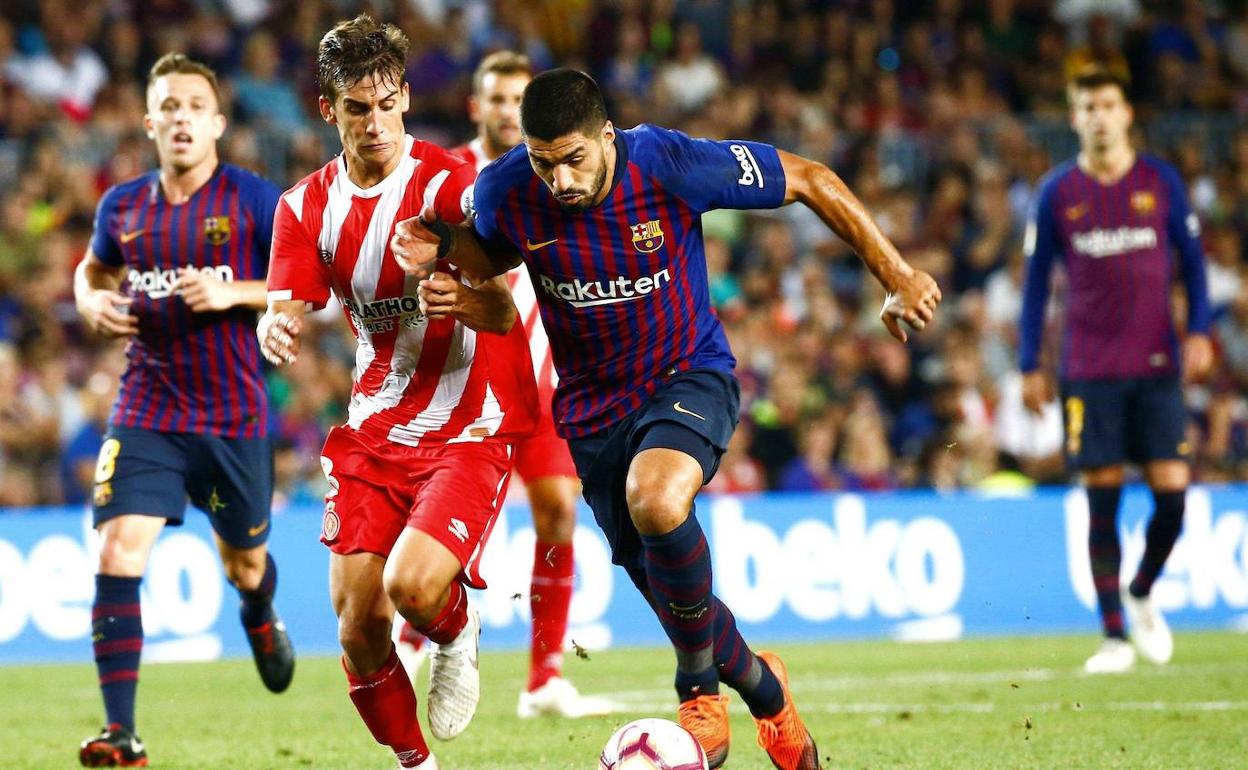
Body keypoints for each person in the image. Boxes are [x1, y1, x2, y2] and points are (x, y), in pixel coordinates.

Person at [393, 68, 941, 770]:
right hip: (592, 413)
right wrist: (445, 249)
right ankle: (768, 693)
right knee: (681, 601)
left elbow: (809, 178)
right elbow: (494, 251)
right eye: (543, 163)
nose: (560, 181)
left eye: (574, 159)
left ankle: (696, 693)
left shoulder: (669, 163)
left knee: (654, 498)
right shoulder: (506, 188)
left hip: (687, 375)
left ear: (606, 136)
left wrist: (897, 276)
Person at [257, 16, 537, 770]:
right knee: (356, 626)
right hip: (375, 426)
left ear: (406, 97)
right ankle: (416, 763)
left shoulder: (449, 185)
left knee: (413, 588)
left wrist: (460, 299)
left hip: (466, 425)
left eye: (387, 105)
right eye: (357, 109)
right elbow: (285, 305)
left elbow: (502, 311)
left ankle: (456, 628)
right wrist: (274, 328)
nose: (375, 123)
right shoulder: (303, 208)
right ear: (329, 110)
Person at [74, 53, 293, 767]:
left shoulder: (255, 200)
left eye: (195, 106)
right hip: (147, 406)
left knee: (245, 566)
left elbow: (309, 283)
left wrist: (237, 293)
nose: (181, 118)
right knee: (117, 547)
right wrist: (89, 297)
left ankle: (259, 612)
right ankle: (123, 734)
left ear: (218, 123)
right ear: (149, 123)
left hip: (232, 417)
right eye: (167, 106)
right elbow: (94, 267)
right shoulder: (123, 207)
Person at [394, 50, 613, 721]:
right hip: (463, 380)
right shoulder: (445, 175)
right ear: (477, 106)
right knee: (458, 519)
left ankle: (543, 679)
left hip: (543, 377)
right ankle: (413, 641)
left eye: (519, 99)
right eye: (497, 98)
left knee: (558, 514)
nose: (508, 111)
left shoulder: (558, 177)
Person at [1019, 67, 1213, 674]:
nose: (1099, 116)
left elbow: (1194, 263)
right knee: (1101, 502)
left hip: (1156, 364)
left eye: (1107, 105)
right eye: (1088, 107)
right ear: (1074, 118)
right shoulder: (1057, 192)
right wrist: (1030, 363)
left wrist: (1200, 330)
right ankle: (1113, 639)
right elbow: (1035, 284)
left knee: (1173, 498)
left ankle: (1142, 589)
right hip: (1088, 368)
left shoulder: (1160, 181)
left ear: (1126, 113)